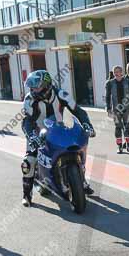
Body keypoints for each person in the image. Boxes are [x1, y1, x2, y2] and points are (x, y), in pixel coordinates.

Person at [20, 70, 95, 207]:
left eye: (36, 86)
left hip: (57, 129)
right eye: (31, 87)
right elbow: (27, 122)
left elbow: (78, 111)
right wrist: (31, 137)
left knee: (77, 149)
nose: (33, 89)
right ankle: (27, 194)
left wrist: (87, 125)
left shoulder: (61, 94)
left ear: (46, 84)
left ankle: (81, 182)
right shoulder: (29, 99)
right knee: (29, 161)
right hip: (37, 132)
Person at [105, 65, 129, 154]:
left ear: (122, 72)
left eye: (119, 72)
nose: (117, 73)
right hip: (116, 110)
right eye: (115, 72)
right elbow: (107, 97)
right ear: (113, 73)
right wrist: (108, 109)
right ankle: (119, 147)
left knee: (128, 126)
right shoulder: (110, 83)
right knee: (118, 127)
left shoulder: (128, 82)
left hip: (127, 108)